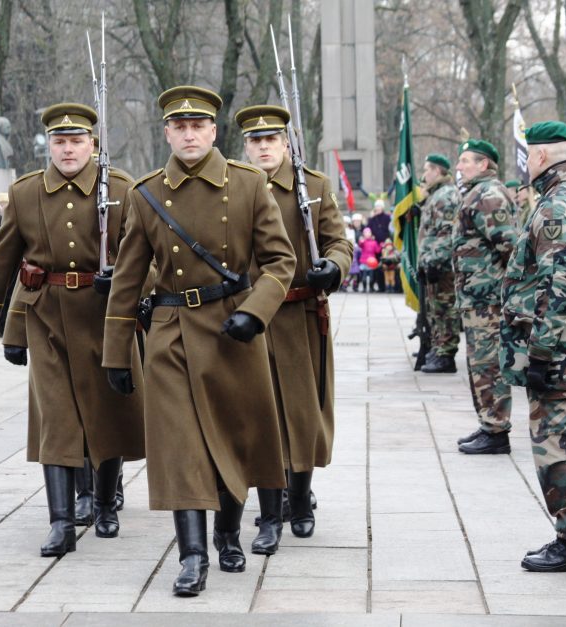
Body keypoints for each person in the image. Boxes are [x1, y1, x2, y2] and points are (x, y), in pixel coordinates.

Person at [102, 85, 295, 597]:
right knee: (180, 446)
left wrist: (255, 314)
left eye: (198, 126)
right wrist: (116, 352)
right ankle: (192, 556)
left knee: (232, 439)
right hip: (171, 334)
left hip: (234, 331)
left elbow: (281, 261)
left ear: (213, 131)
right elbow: (127, 279)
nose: (188, 135)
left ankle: (228, 532)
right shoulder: (146, 194)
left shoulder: (250, 185)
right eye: (179, 127)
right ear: (166, 132)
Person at [0, 102, 146, 557]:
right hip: (45, 318)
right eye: (59, 142)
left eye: (76, 141)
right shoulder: (27, 193)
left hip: (106, 317)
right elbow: (2, 260)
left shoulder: (121, 189)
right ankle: (61, 523)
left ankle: (104, 502)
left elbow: (146, 257)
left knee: (108, 413)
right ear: (50, 144)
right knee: (56, 421)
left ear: (93, 144)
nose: (67, 150)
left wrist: (129, 283)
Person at [234, 103, 353, 554]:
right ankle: (271, 501)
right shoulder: (235, 186)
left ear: (286, 144)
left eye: (272, 140)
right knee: (260, 413)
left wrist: (334, 267)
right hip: (252, 316)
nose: (263, 147)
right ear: (246, 146)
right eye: (255, 140)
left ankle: (299, 499)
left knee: (302, 414)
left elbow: (338, 242)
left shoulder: (315, 186)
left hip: (301, 315)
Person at [500, 121, 566, 572]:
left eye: (529, 155)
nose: (525, 164)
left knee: (557, 443)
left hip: (558, 349)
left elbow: (556, 285)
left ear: (541, 157)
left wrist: (539, 352)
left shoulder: (558, 204)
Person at [451, 139, 518, 454]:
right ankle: (489, 423)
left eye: (466, 161)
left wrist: (502, 289)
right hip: (477, 296)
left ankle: (496, 430)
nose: (460, 166)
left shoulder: (488, 195)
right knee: (479, 363)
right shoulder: (477, 193)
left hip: (488, 298)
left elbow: (510, 246)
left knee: (488, 364)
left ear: (484, 164)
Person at [416, 153, 462, 373]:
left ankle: (446, 354)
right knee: (436, 310)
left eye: (427, 169)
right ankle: (438, 347)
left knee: (445, 309)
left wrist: (434, 261)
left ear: (437, 171)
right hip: (434, 263)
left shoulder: (445, 196)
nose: (424, 174)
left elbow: (446, 233)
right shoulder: (437, 195)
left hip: (442, 267)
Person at [357, 227, 381, 292]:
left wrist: (381, 246)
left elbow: (377, 251)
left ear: (371, 234)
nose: (367, 234)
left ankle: (371, 288)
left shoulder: (374, 242)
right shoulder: (363, 241)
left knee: (371, 277)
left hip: (372, 262)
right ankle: (364, 288)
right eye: (366, 233)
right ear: (363, 234)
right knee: (364, 277)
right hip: (364, 261)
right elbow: (360, 245)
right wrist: (361, 240)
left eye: (369, 233)